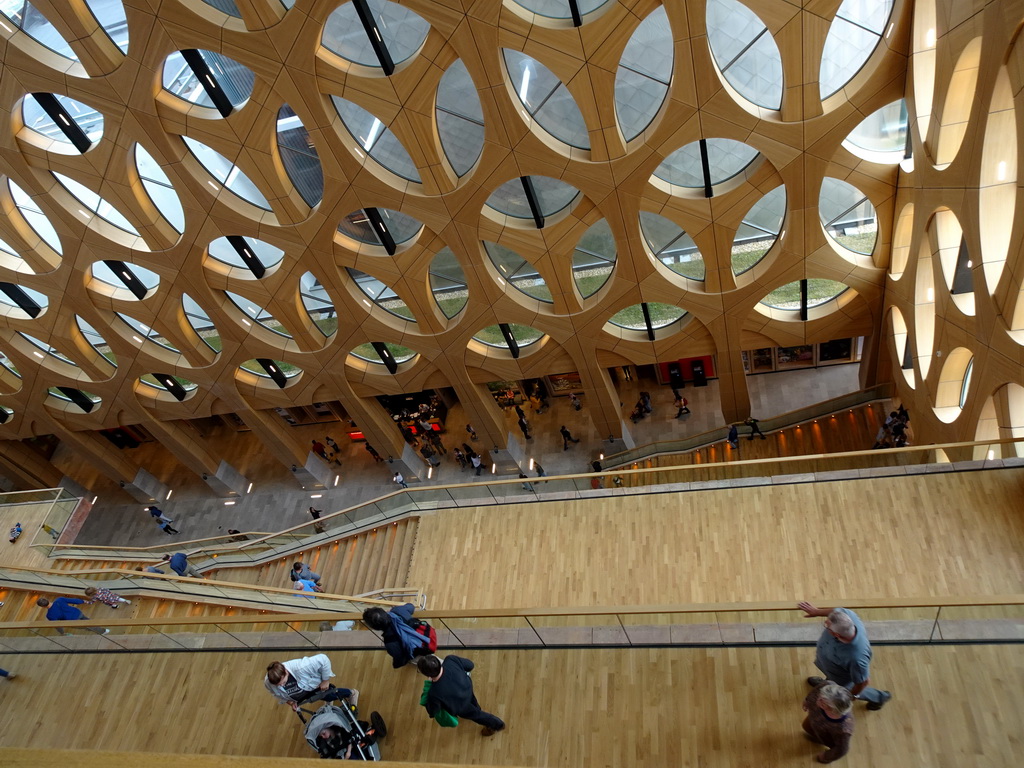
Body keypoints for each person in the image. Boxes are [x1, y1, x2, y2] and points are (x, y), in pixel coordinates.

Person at [798, 602, 891, 710]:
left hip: (842, 677)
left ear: (836, 634)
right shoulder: (846, 616)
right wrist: (817, 612)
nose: (825, 625)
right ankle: (827, 684)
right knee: (831, 681)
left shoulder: (857, 658)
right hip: (830, 667)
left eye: (826, 626)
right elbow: (836, 611)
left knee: (845, 689)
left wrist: (852, 696)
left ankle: (879, 697)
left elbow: (863, 682)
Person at [417, 654, 505, 736]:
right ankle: (477, 707)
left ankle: (497, 725)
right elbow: (470, 665)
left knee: (476, 715)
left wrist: (427, 687)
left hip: (461, 707)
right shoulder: (450, 660)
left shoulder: (434, 693)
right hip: (467, 689)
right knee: (473, 703)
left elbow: (433, 711)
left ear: (427, 674)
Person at [264, 655, 357, 711]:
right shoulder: (268, 682)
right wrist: (291, 703)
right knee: (324, 697)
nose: (281, 686)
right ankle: (329, 701)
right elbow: (276, 693)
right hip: (303, 693)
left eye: (283, 682)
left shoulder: (301, 666)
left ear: (286, 671)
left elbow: (323, 659)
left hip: (315, 686)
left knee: (331, 694)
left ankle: (352, 693)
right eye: (278, 685)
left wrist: (325, 680)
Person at [362, 604, 433, 668]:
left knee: (427, 663)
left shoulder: (390, 642)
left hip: (418, 652)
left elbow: (400, 659)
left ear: (376, 628)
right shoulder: (398, 611)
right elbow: (411, 607)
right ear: (384, 612)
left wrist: (395, 664)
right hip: (426, 635)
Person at [802, 680, 854, 763]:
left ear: (833, 710)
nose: (817, 700)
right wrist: (807, 700)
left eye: (823, 702)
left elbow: (841, 750)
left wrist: (826, 757)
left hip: (825, 735)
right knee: (806, 727)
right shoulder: (828, 686)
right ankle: (815, 737)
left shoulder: (843, 730)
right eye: (820, 697)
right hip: (814, 721)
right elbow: (815, 691)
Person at [36, 596, 108, 635]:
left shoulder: (50, 615)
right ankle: (100, 629)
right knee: (88, 621)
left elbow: (57, 625)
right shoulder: (59, 600)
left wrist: (62, 632)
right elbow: (73, 600)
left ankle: (103, 631)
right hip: (78, 613)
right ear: (47, 600)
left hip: (73, 621)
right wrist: (83, 601)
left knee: (87, 627)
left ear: (42, 606)